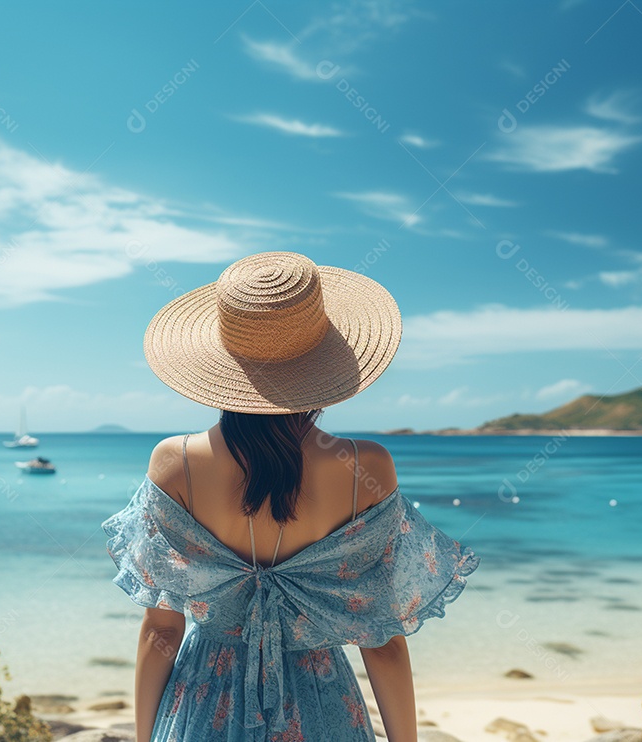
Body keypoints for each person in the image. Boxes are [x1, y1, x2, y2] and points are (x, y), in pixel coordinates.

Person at [102, 252, 479, 741]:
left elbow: (162, 633)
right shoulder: (368, 466)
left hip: (202, 704)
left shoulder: (175, 462)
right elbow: (381, 643)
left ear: (222, 362)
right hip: (322, 704)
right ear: (326, 364)